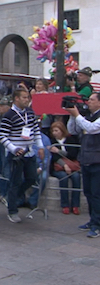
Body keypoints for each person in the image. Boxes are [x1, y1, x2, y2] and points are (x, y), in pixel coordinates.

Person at [0, 88, 44, 223]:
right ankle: (12, 210)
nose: (27, 99)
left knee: (32, 178)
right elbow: (2, 135)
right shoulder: (9, 115)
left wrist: (40, 146)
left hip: (29, 152)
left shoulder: (30, 112)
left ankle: (11, 197)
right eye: (24, 97)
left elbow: (36, 130)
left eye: (27, 97)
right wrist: (13, 148)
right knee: (15, 181)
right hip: (16, 154)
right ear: (16, 99)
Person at [67, 92, 100, 237]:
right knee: (88, 192)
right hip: (86, 159)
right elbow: (73, 130)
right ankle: (92, 220)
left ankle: (97, 224)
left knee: (96, 194)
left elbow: (92, 128)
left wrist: (77, 115)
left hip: (97, 161)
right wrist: (72, 115)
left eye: (92, 100)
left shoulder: (97, 119)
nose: (89, 102)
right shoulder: (88, 116)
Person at [48, 121, 81, 215]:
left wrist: (58, 151)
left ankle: (75, 205)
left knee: (76, 177)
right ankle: (65, 205)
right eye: (53, 131)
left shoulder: (70, 140)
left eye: (56, 130)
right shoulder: (52, 141)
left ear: (62, 131)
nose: (54, 133)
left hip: (72, 165)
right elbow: (54, 157)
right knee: (63, 177)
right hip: (58, 167)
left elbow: (72, 154)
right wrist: (64, 165)